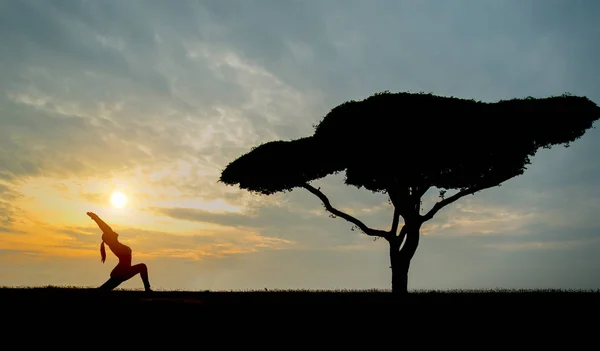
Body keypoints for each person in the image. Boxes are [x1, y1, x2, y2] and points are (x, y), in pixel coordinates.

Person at [86, 211, 152, 292]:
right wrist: (96, 218)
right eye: (110, 233)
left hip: (122, 271)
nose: (113, 232)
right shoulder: (113, 244)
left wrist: (96, 218)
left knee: (102, 290)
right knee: (142, 266)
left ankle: (147, 289)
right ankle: (147, 289)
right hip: (121, 272)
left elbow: (107, 229)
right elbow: (105, 228)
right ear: (109, 238)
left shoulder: (114, 244)